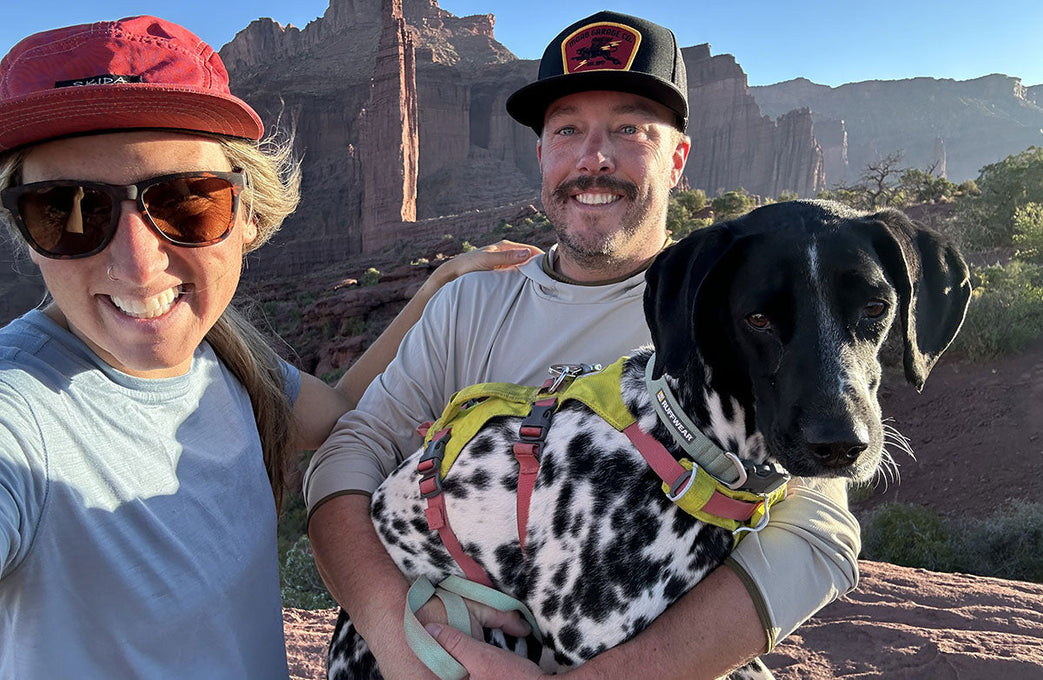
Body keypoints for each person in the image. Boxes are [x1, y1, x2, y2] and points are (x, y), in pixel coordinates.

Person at [305, 9, 860, 680]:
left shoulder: (740, 315)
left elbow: (816, 534)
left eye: (628, 130)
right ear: (541, 155)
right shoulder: (471, 304)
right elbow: (349, 453)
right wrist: (397, 635)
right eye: (567, 130)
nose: (593, 158)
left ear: (677, 158)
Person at [0, 15, 536, 678]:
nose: (136, 265)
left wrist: (433, 289)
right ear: (24, 231)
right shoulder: (18, 411)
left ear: (248, 215)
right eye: (68, 208)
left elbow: (340, 407)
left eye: (185, 202)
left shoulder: (223, 359)